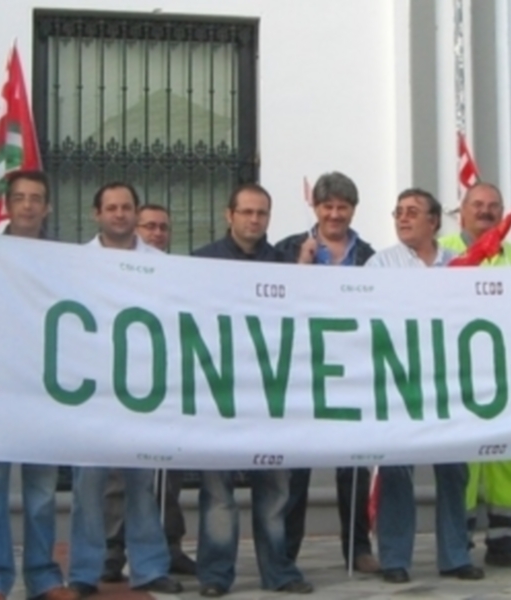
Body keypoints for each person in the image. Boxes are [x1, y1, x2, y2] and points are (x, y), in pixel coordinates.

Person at [191, 183, 313, 595]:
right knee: (217, 492)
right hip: (218, 394)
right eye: (246, 212)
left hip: (270, 396)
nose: (254, 220)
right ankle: (214, 575)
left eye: (261, 213)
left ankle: (279, 572)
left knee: (275, 490)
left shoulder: (284, 265)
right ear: (229, 215)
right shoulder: (201, 263)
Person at [68, 182, 182, 598]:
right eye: (112, 207)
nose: (120, 214)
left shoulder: (162, 266)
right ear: (96, 213)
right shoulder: (74, 263)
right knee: (88, 484)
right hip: (91, 389)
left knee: (142, 483)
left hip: (143, 388)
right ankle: (85, 571)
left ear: (136, 213)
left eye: (126, 207)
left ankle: (149, 568)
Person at [366, 188, 485, 585]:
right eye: (398, 211)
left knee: (453, 470)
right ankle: (395, 558)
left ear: (433, 221)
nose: (403, 218)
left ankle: (455, 555)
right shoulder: (380, 265)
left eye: (412, 212)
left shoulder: (457, 265)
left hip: (447, 382)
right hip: (400, 380)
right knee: (397, 470)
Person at [0, 171, 79, 600]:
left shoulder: (62, 260)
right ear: (6, 204)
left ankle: (43, 575)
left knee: (41, 491)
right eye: (19, 197)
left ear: (48, 206)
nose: (27, 205)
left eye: (35, 198)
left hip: (43, 389)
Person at [276, 172, 379, 574]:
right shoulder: (288, 249)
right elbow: (274, 301)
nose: (335, 214)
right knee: (296, 467)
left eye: (343, 207)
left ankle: (357, 548)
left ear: (354, 210)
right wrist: (301, 266)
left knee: (353, 464)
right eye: (327, 206)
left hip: (352, 369)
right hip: (302, 369)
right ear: (315, 208)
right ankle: (286, 551)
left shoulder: (369, 257)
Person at [439, 182, 511, 569]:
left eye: (494, 205)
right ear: (461, 210)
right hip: (459, 377)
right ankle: (458, 546)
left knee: (510, 462)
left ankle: (506, 545)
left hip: (507, 379)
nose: (486, 211)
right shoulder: (444, 251)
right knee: (464, 464)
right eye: (477, 204)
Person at [101, 202, 196, 581]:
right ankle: (111, 552)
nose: (157, 234)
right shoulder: (107, 270)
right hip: (117, 384)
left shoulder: (176, 275)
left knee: (166, 473)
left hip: (165, 386)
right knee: (117, 473)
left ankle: (169, 547)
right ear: (136, 230)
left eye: (163, 228)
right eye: (149, 226)